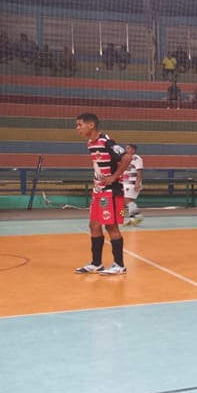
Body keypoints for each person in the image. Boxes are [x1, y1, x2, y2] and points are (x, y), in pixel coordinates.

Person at [74, 112, 131, 275]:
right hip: (98, 191)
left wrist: (113, 177)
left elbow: (127, 157)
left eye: (80, 124)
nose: (77, 128)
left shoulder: (106, 141)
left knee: (110, 225)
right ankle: (96, 263)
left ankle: (120, 265)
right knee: (93, 225)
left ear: (90, 125)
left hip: (110, 192)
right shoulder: (90, 144)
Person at [122, 144, 144, 225]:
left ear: (133, 150)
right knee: (125, 202)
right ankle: (132, 219)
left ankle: (137, 216)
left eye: (128, 148)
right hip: (125, 183)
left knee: (127, 200)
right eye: (126, 148)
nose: (126, 149)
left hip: (132, 183)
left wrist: (137, 183)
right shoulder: (125, 158)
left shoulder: (136, 158)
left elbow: (140, 171)